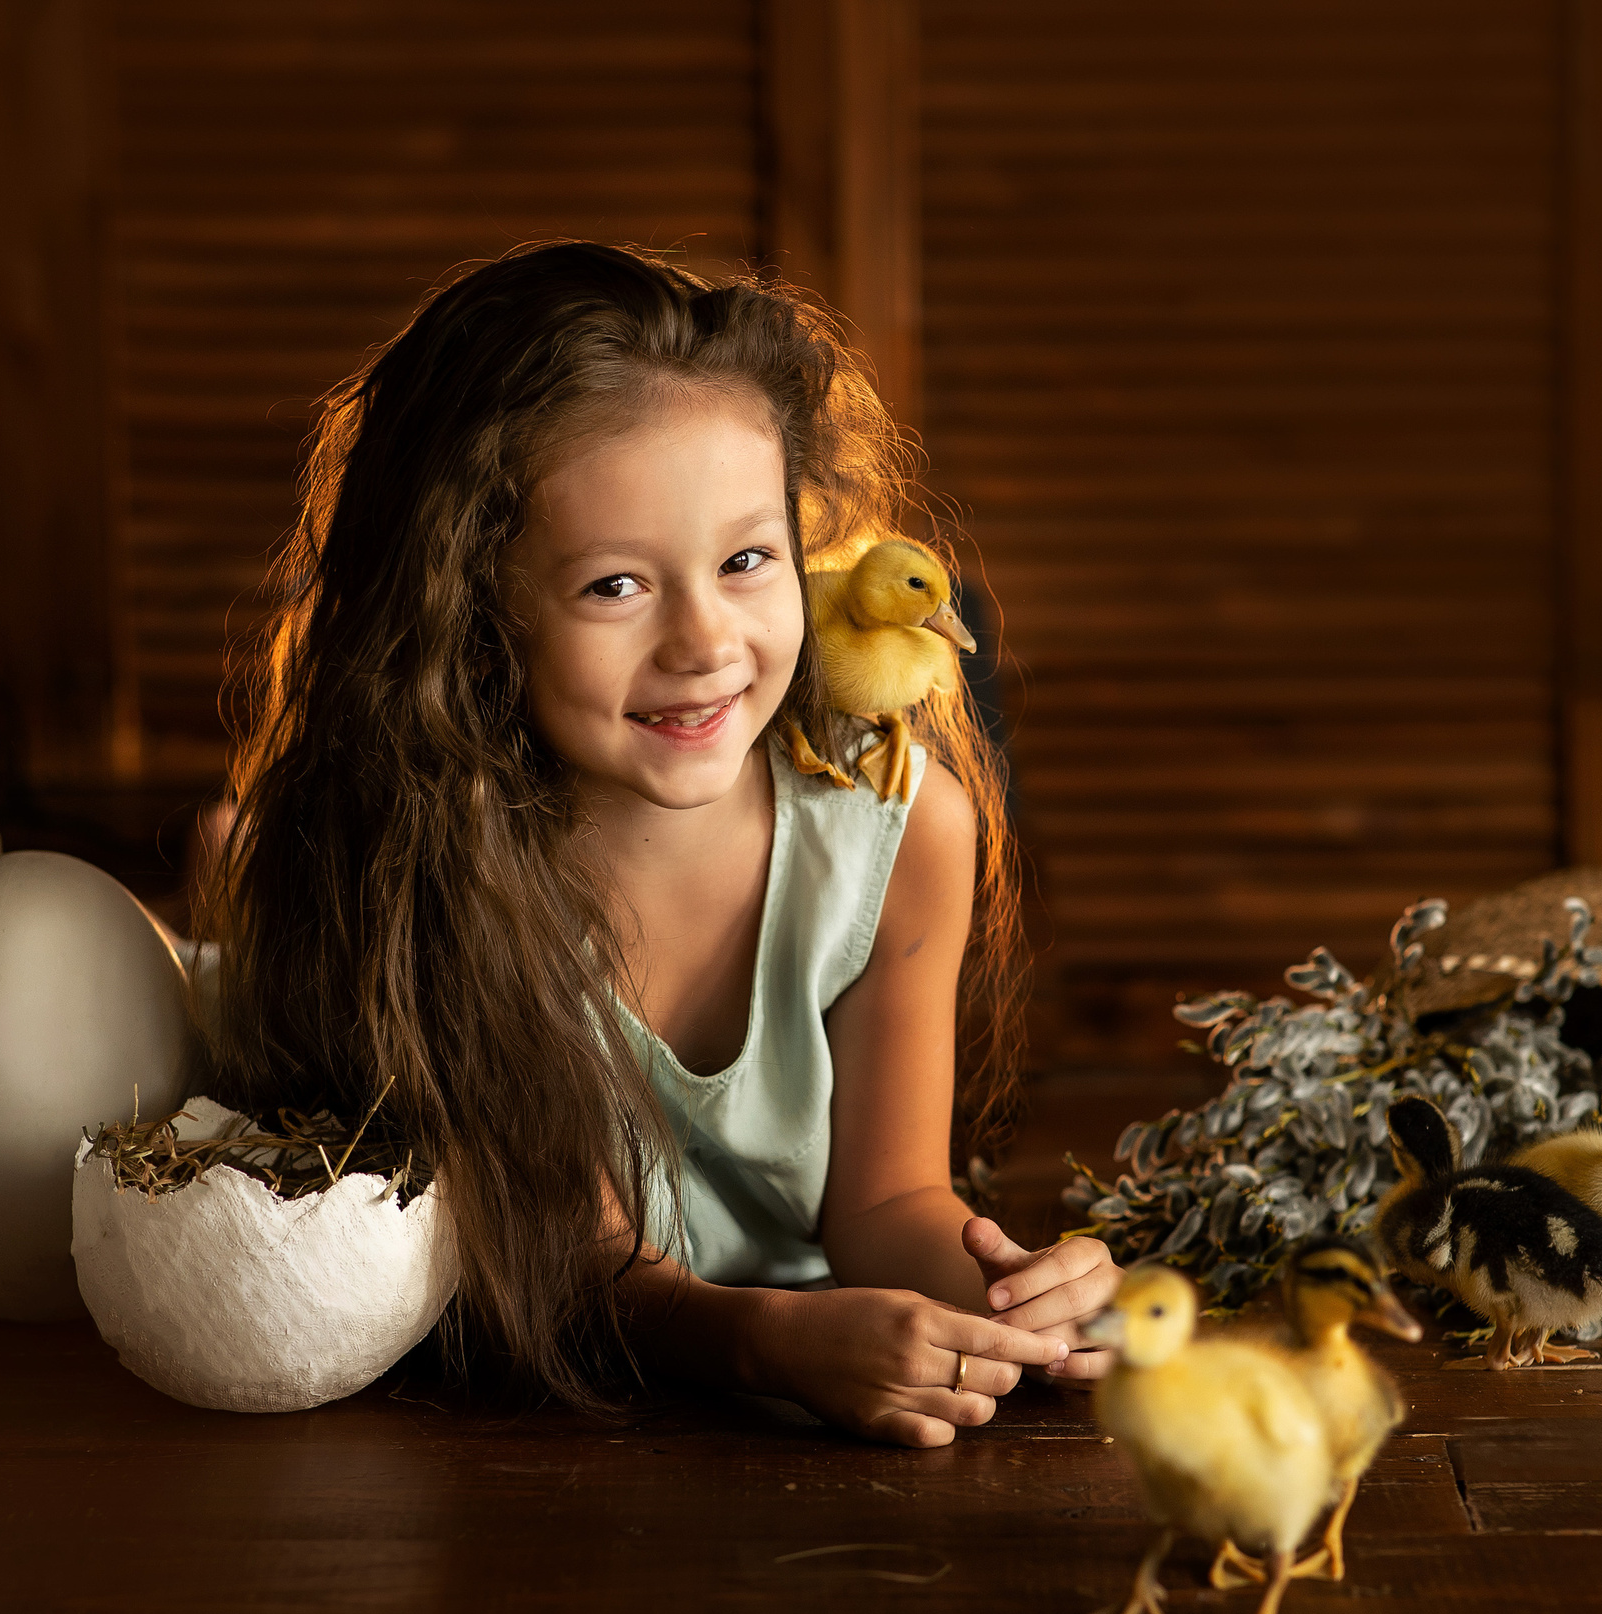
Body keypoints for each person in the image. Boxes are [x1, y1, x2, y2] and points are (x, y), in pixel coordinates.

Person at [185, 242, 1118, 1447]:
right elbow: (576, 1268)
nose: (703, 641)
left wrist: (1017, 1297)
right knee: (185, 961)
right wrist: (767, 1341)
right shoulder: (439, 862)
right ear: (474, 614)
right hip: (563, 1407)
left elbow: (887, 1202)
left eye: (744, 561)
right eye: (615, 585)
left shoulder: (908, 833)